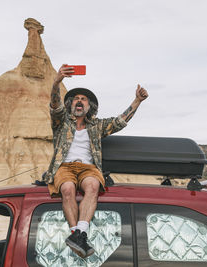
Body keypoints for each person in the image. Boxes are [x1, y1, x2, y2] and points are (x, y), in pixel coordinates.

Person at [42, 64, 148, 258]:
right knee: (67, 189)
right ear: (70, 105)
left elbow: (120, 121)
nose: (79, 101)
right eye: (76, 99)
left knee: (92, 186)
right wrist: (57, 81)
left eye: (83, 99)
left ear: (89, 107)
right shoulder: (61, 122)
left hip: (89, 168)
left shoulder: (97, 126)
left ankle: (78, 233)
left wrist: (137, 101)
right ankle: (78, 235)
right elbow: (54, 105)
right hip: (64, 167)